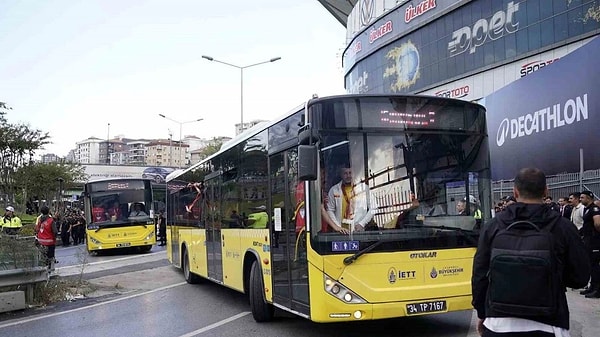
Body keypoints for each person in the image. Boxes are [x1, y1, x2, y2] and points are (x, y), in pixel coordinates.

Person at [472, 168, 590, 337]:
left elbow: (479, 274)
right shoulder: (562, 227)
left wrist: (481, 312)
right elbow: (580, 278)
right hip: (550, 324)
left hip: (498, 322)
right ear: (545, 191)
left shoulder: (493, 226)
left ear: (515, 191)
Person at [326, 164, 377, 232]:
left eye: (350, 173)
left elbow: (374, 207)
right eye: (345, 173)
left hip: (358, 230)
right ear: (341, 175)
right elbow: (330, 210)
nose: (348, 176)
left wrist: (362, 224)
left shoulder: (364, 188)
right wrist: (337, 226)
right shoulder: (334, 190)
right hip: (340, 232)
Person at [579, 190, 600, 298]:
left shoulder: (594, 209)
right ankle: (592, 286)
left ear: (588, 198)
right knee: (591, 265)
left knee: (595, 265)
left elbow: (598, 223)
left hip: (594, 241)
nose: (580, 199)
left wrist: (595, 236)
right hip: (588, 240)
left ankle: (598, 289)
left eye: (582, 197)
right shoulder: (587, 209)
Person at [35, 206, 58, 271]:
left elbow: (37, 229)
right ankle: (50, 269)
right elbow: (55, 231)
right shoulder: (51, 220)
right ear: (48, 212)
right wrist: (54, 238)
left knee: (43, 256)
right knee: (50, 257)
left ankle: (44, 269)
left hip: (41, 241)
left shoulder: (39, 219)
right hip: (50, 242)